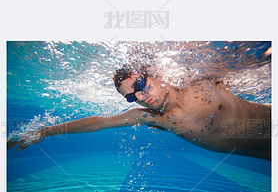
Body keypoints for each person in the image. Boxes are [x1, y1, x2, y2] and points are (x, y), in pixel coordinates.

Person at [7, 67, 271, 160]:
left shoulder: (197, 81)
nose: (141, 96)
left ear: (155, 74)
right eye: (132, 96)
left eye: (141, 85)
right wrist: (45, 131)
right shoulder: (150, 117)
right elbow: (98, 123)